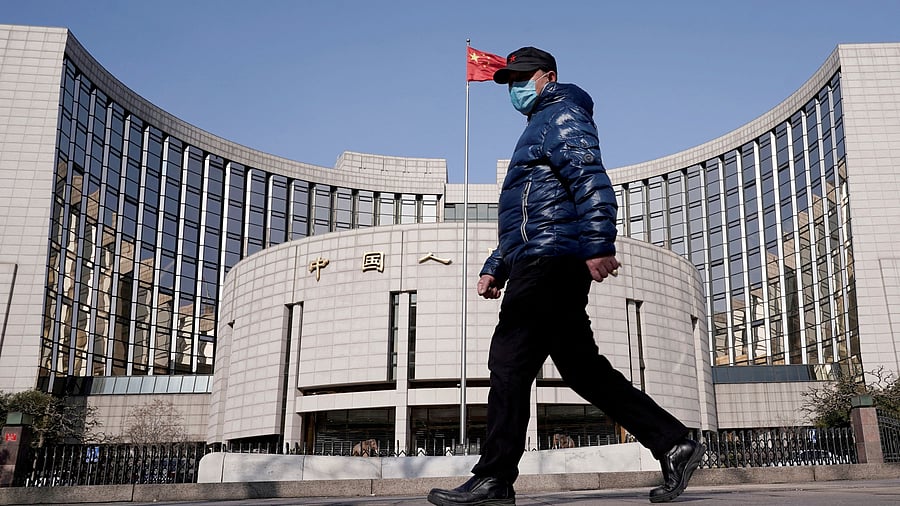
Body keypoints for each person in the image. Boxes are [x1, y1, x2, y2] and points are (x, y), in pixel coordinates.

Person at [426, 47, 702, 506]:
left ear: (546, 76)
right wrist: (497, 265)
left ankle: (494, 478)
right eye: (508, 80)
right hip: (542, 256)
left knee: (510, 362)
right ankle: (673, 442)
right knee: (581, 369)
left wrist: (597, 245)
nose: (513, 87)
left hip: (551, 260)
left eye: (521, 77)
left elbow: (590, 180)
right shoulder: (540, 124)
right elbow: (530, 215)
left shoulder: (561, 114)